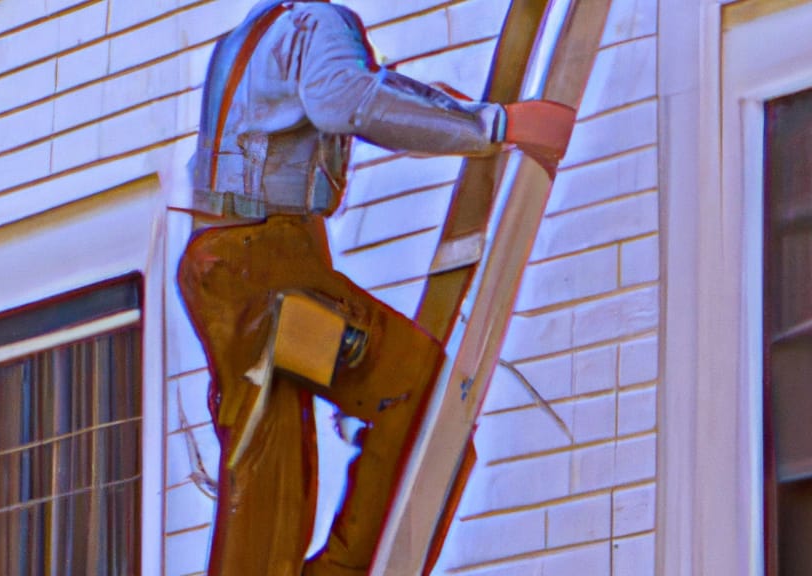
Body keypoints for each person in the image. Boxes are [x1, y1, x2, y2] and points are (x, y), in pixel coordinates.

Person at [176, 1, 576, 573]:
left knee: (268, 479)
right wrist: (499, 125)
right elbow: (349, 101)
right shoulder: (316, 22)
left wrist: (442, 115)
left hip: (224, 275)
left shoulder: (248, 39)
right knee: (421, 396)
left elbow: (346, 102)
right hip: (268, 272)